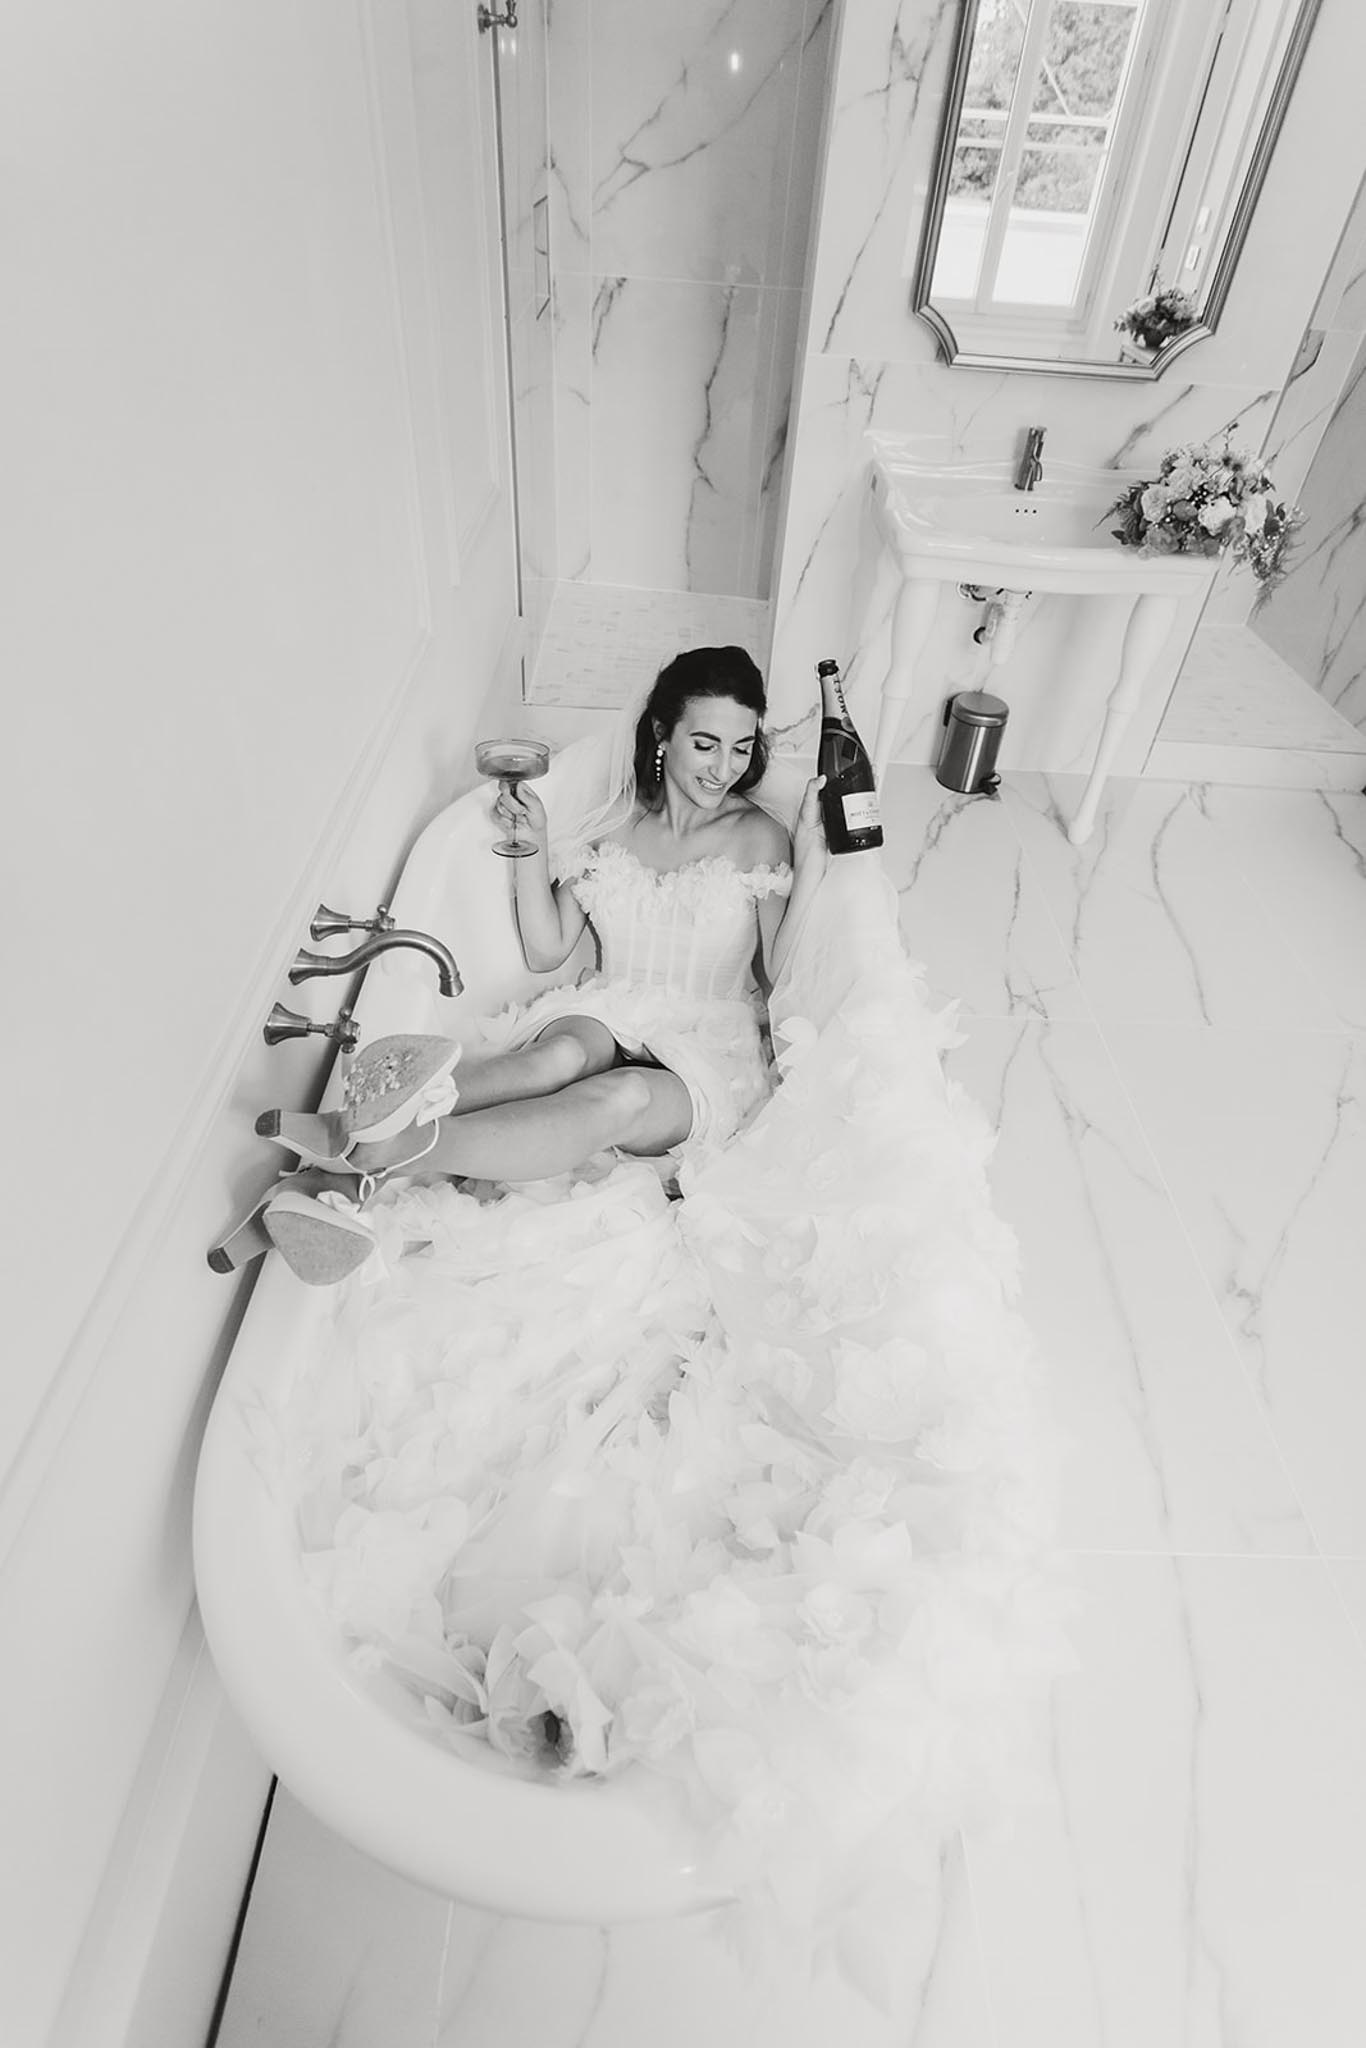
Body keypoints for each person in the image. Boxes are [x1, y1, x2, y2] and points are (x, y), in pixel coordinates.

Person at [249, 647, 829, 1276]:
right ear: (664, 733)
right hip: (612, 1009)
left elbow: (783, 976)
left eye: (741, 748)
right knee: (558, 1059)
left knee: (624, 1095)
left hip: (710, 1042)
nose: (723, 769)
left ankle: (381, 1149)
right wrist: (536, 844)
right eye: (707, 744)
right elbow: (547, 947)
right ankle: (348, 1129)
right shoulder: (616, 824)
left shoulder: (759, 837)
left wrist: (813, 861)